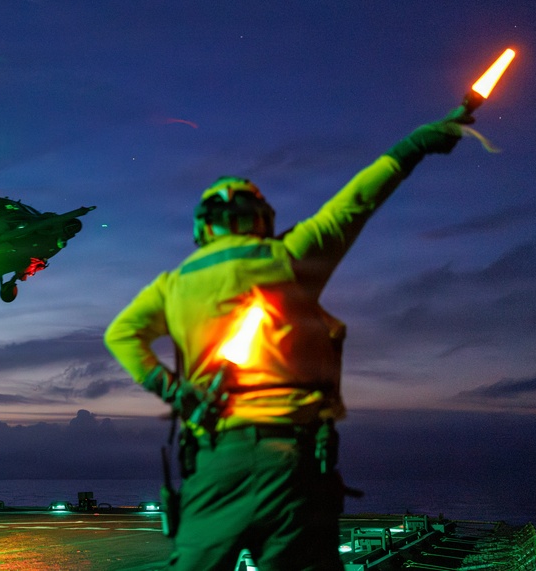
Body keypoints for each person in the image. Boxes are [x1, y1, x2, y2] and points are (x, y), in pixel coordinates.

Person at [104, 106, 475, 571]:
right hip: (294, 465)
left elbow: (121, 335)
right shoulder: (290, 256)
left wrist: (174, 391)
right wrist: (416, 143)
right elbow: (356, 201)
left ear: (204, 226)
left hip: (215, 461)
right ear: (261, 218)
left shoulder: (173, 285)